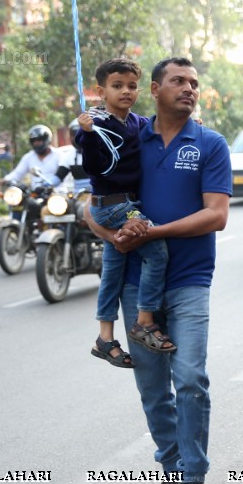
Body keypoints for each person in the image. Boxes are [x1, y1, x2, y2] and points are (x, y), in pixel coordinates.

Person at [88, 56, 230, 484]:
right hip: (135, 283)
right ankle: (171, 474)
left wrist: (154, 232)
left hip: (190, 280)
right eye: (178, 81)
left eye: (194, 82)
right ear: (154, 88)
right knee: (152, 388)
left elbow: (217, 216)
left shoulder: (209, 143)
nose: (189, 88)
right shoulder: (128, 134)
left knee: (189, 378)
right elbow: (93, 203)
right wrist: (114, 237)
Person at [77, 58, 172, 371]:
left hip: (121, 204)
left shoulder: (140, 123)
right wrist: (88, 133)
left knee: (112, 271)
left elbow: (161, 131)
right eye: (117, 86)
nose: (126, 91)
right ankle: (144, 320)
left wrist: (191, 127)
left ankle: (105, 337)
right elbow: (92, 165)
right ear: (101, 91)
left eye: (131, 86)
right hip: (114, 206)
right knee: (156, 252)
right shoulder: (97, 124)